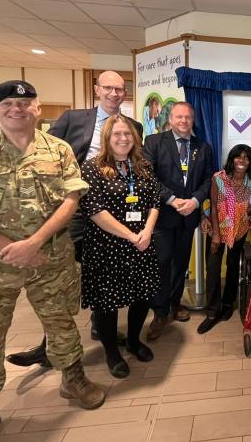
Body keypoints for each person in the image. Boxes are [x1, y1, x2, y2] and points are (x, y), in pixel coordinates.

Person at [0, 81, 105, 442]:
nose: (17, 109)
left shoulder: (58, 150)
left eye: (25, 102)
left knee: (61, 321)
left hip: (52, 256)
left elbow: (70, 201)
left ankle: (73, 379)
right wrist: (12, 248)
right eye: (8, 103)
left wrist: (36, 242)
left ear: (38, 108)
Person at [7, 70, 142, 369]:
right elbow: (43, 153)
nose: (114, 93)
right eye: (108, 87)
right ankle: (49, 345)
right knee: (60, 277)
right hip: (75, 211)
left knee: (105, 273)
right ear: (97, 90)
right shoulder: (73, 119)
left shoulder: (133, 126)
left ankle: (100, 326)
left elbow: (136, 164)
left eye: (120, 89)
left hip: (117, 213)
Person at [79, 114, 161, 377]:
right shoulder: (92, 168)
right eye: (117, 134)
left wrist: (146, 231)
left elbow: (155, 203)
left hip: (142, 244)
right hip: (107, 247)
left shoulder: (144, 166)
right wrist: (131, 235)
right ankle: (111, 352)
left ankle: (135, 341)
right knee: (107, 303)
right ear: (107, 137)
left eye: (127, 134)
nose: (123, 139)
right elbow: (95, 210)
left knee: (142, 296)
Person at [143, 101, 214, 340]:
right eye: (179, 117)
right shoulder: (153, 143)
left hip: (189, 216)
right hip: (163, 215)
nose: (183, 121)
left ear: (192, 120)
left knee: (181, 264)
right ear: (170, 119)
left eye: (188, 117)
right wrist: (172, 200)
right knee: (162, 264)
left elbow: (207, 180)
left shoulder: (202, 147)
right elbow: (148, 177)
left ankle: (174, 304)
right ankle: (160, 312)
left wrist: (195, 201)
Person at [197, 144, 251, 334]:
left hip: (239, 231)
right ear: (232, 159)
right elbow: (214, 206)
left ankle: (227, 304)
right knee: (213, 269)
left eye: (246, 158)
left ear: (250, 162)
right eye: (238, 157)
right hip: (219, 231)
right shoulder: (219, 178)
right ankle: (212, 312)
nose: (242, 161)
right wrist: (215, 233)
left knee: (233, 268)